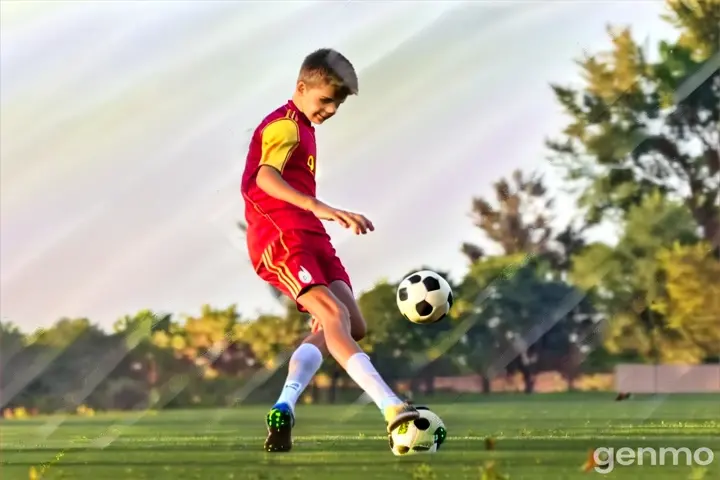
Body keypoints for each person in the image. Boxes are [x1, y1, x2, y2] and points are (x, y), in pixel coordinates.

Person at [241, 48, 420, 452]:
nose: (331, 109)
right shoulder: (284, 126)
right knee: (333, 315)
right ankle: (392, 408)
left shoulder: (305, 128)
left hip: (310, 235)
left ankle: (284, 404)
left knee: (350, 324)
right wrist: (322, 208)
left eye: (337, 103)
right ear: (301, 88)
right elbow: (266, 178)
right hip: (281, 237)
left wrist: (319, 216)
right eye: (325, 100)